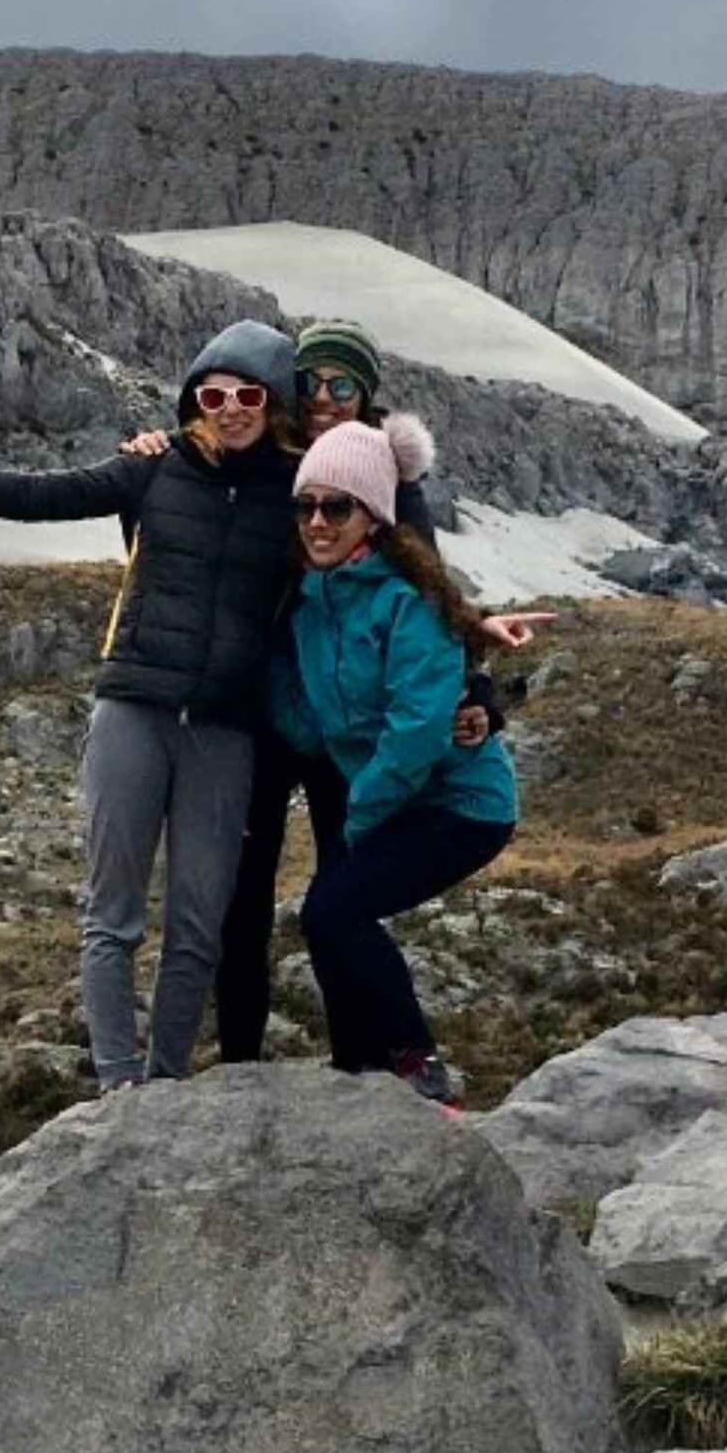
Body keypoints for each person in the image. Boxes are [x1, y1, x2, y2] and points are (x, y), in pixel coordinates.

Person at [0, 322, 306, 1090]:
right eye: (213, 395)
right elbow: (38, 495)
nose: (230, 409)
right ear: (194, 400)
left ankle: (164, 1085)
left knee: (198, 926)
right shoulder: (151, 468)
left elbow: (377, 538)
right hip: (134, 708)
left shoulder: (297, 492)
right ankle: (118, 1087)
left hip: (224, 728)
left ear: (275, 402)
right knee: (112, 915)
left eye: (248, 396)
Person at [267, 415, 522, 1103]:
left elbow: (417, 730)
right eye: (305, 505)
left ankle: (417, 1064)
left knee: (334, 911)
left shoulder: (411, 603)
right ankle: (359, 1070)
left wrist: (360, 817)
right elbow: (310, 718)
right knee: (329, 914)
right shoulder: (310, 604)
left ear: (374, 519)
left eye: (337, 507)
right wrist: (275, 695)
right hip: (396, 800)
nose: (317, 522)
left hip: (462, 806)